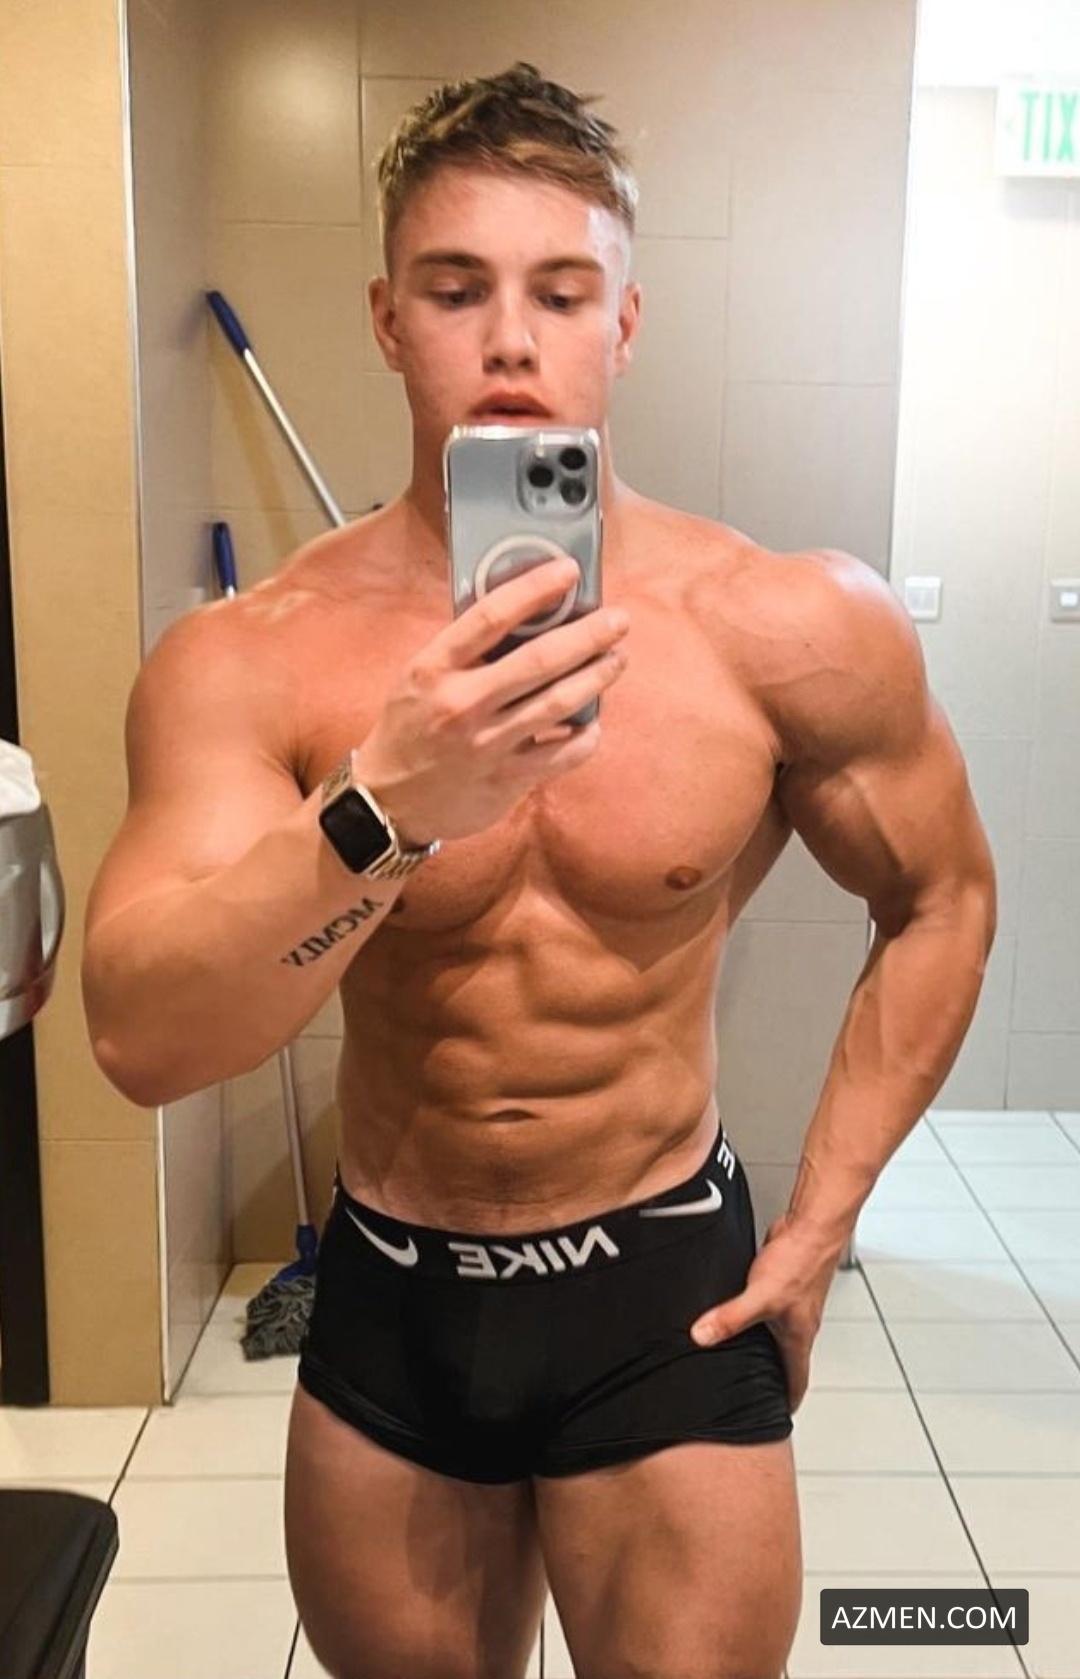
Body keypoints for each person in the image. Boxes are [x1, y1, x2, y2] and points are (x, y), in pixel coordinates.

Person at [82, 61, 997, 1679]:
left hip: (663, 1285)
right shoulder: (251, 660)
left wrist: (823, 1219)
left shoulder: (786, 624)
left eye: (561, 293)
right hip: (397, 1294)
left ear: (623, 323)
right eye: (457, 290)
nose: (510, 339)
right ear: (387, 320)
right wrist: (385, 807)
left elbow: (943, 899)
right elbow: (143, 1038)